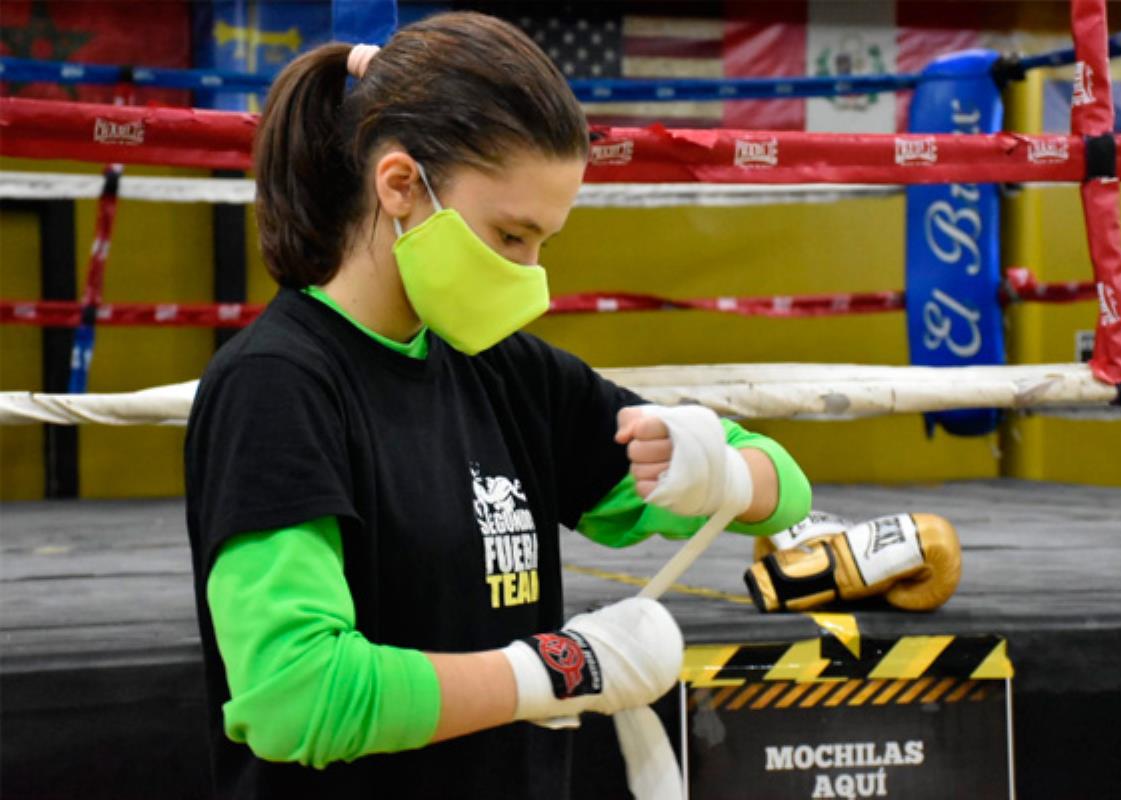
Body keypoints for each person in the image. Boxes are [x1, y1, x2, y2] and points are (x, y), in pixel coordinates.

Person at [184, 11, 811, 798]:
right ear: (402, 185)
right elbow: (295, 696)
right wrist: (557, 671)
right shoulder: (277, 385)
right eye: (511, 236)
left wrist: (719, 471)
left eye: (545, 240)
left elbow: (786, 488)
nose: (529, 272)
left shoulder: (504, 371)